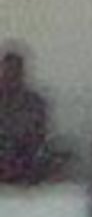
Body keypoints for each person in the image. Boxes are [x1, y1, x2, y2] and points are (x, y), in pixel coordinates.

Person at [0, 43, 52, 185]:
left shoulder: (35, 102)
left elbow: (39, 135)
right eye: (7, 69)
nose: (11, 74)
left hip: (23, 159)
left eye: (16, 70)